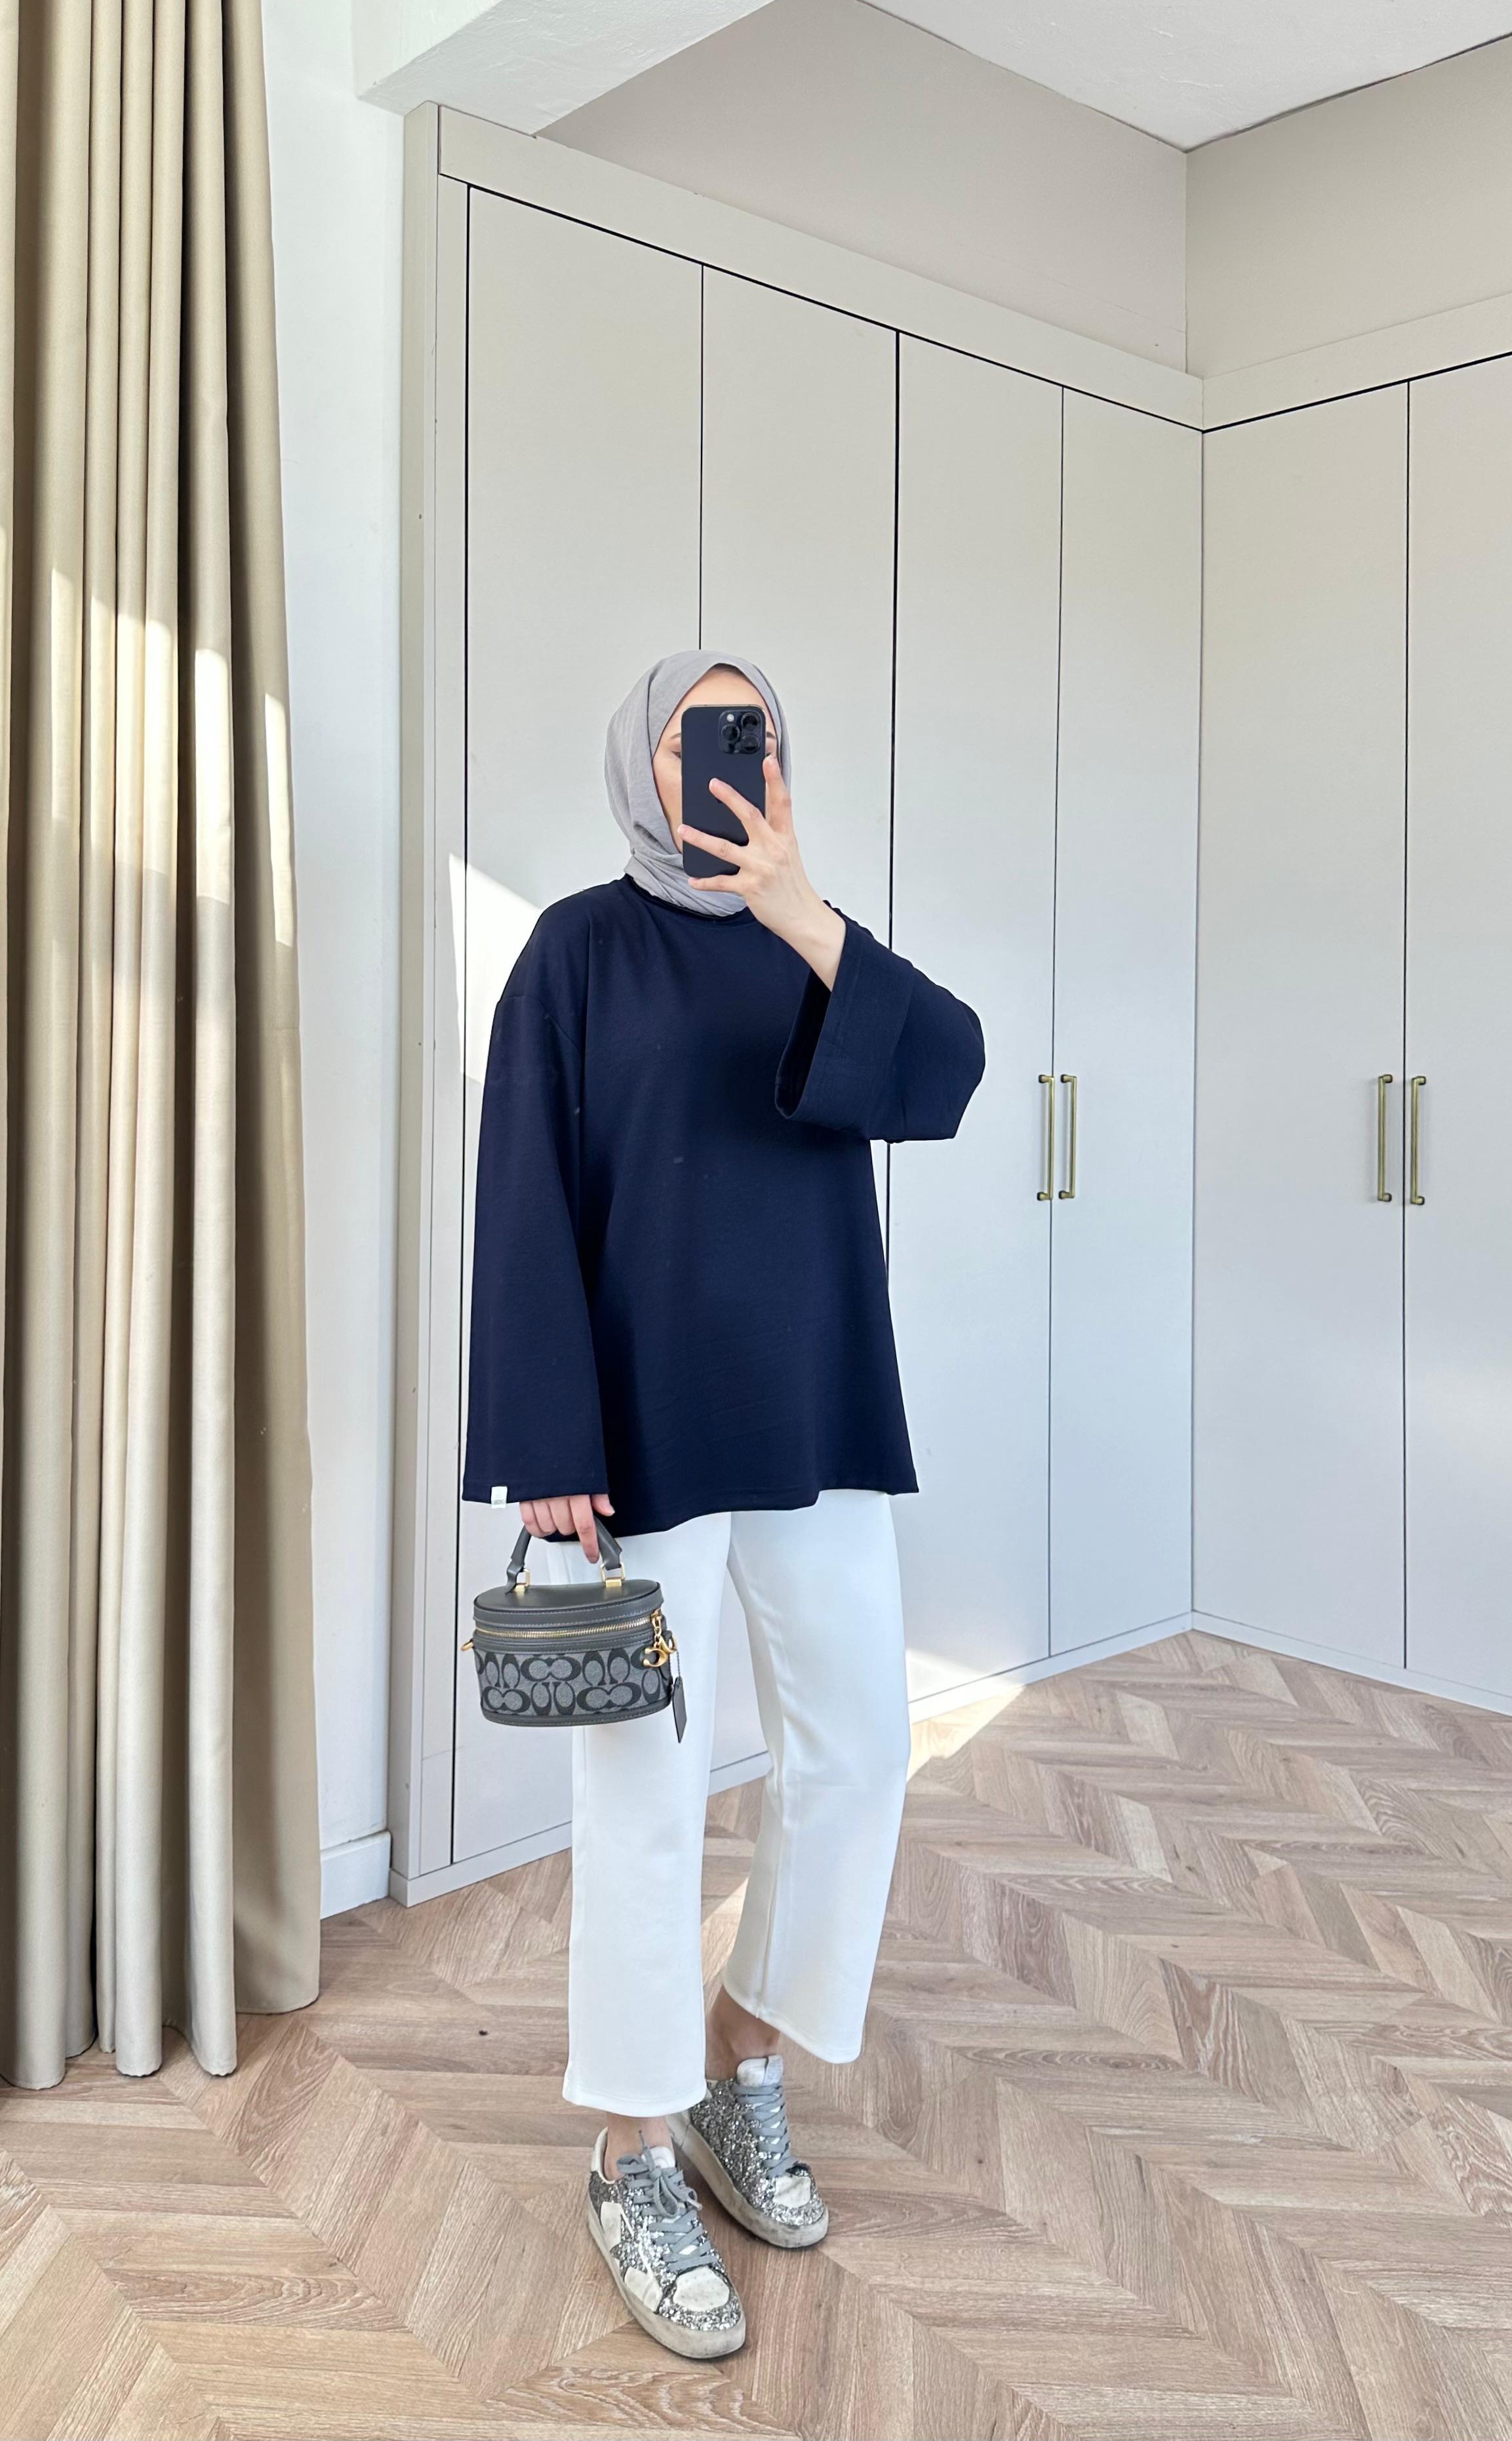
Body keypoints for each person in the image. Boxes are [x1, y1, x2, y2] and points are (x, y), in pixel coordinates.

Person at [462, 651, 985, 2359]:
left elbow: (950, 1073)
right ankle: (629, 2146)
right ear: (646, 759)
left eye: (755, 738)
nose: (732, 764)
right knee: (645, 1788)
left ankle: (738, 2055)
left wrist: (807, 915)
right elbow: (523, 1197)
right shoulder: (574, 951)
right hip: (637, 1440)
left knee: (860, 1748)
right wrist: (545, 1439)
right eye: (704, 736)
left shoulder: (814, 945)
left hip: (815, 1413)